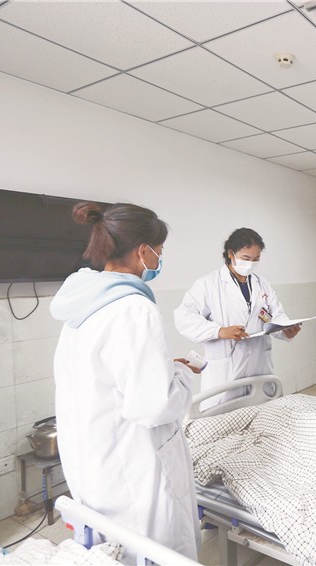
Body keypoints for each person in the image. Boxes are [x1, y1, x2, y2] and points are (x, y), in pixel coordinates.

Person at [50, 202, 199, 559]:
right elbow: (155, 407)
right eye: (159, 251)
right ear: (143, 251)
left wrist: (162, 367)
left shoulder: (84, 304)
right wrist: (180, 374)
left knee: (111, 550)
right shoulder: (134, 309)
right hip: (132, 469)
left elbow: (108, 374)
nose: (160, 259)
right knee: (152, 551)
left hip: (92, 461)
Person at [174, 228, 300, 409]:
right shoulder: (208, 285)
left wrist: (285, 330)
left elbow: (276, 315)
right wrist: (219, 331)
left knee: (260, 415)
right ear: (231, 254)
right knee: (222, 417)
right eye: (246, 258)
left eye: (256, 259)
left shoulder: (262, 284)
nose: (251, 264)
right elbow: (184, 317)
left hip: (259, 369)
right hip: (225, 373)